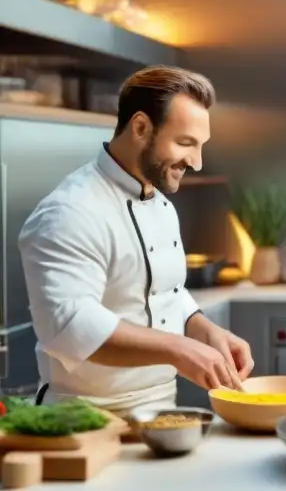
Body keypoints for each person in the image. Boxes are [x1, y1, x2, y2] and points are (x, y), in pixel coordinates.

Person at [19, 66, 254, 416]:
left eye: (200, 146)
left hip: (159, 413)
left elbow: (166, 291)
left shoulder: (160, 205)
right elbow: (71, 326)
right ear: (141, 128)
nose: (196, 161)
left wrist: (205, 330)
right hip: (85, 420)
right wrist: (178, 348)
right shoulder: (70, 211)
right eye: (185, 143)